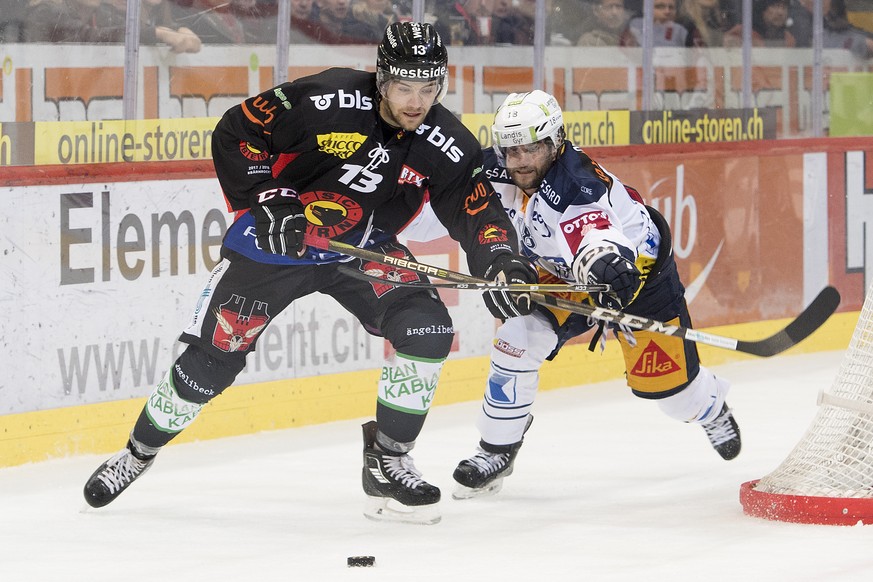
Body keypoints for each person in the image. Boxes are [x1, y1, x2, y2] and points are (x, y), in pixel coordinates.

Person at [81, 22, 536, 525]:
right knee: (210, 365)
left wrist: (499, 259)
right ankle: (137, 453)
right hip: (274, 247)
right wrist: (270, 196)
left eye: (428, 88)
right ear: (382, 79)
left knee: (427, 328)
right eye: (405, 87)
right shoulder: (328, 97)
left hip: (357, 247)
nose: (416, 101)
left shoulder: (443, 137)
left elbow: (474, 206)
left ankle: (387, 459)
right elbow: (238, 129)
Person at [451, 90, 741, 499]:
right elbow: (442, 204)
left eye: (530, 148)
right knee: (517, 337)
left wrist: (601, 260)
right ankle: (496, 449)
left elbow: (594, 232)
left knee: (670, 396)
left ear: (556, 142)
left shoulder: (577, 185)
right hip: (561, 271)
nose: (518, 161)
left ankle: (709, 405)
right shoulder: (496, 168)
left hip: (635, 277)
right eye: (510, 149)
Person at [723, 0, 795, 47]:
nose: (781, 12)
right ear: (762, 9)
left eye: (784, 7)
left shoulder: (788, 38)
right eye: (775, 6)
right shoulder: (741, 32)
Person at [621, 0, 689, 47]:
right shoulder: (636, 25)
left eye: (671, 7)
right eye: (660, 7)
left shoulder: (680, 31)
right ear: (647, 9)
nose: (667, 11)